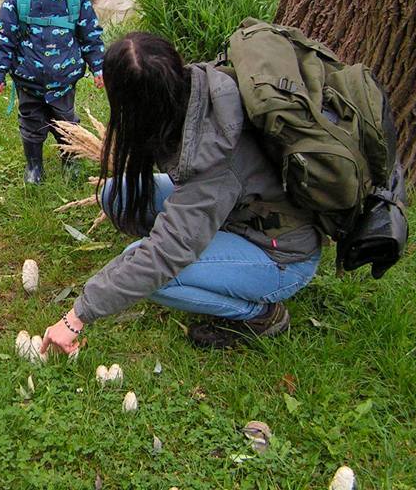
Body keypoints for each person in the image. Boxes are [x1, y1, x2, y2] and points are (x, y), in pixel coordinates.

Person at [41, 32, 323, 352]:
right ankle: (201, 256)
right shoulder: (194, 86)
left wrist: (76, 317)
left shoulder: (213, 156)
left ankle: (262, 315)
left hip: (280, 253)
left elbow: (165, 255)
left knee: (158, 274)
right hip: (237, 209)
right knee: (116, 195)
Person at [0, 0, 105, 184]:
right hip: (28, 81)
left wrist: (99, 66)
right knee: (31, 124)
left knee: (66, 123)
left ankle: (70, 160)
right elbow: (4, 38)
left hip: (64, 82)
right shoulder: (17, 0)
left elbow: (91, 36)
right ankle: (34, 166)